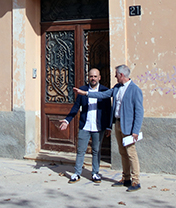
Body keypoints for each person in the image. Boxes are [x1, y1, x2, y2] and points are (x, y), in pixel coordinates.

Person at [74, 64, 144, 192]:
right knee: (122, 153)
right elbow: (103, 95)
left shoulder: (135, 90)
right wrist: (85, 93)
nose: (115, 76)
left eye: (116, 74)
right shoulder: (117, 88)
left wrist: (135, 131)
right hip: (118, 124)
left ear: (121, 75)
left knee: (131, 154)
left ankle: (136, 181)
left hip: (128, 127)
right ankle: (126, 178)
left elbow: (139, 112)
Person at [60, 68, 112, 184]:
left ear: (99, 78)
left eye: (95, 76)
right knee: (81, 150)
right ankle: (77, 173)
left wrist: (109, 126)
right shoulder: (82, 90)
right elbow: (76, 107)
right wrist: (67, 121)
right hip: (85, 125)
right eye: (91, 76)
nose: (93, 78)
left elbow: (109, 110)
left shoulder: (105, 91)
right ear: (88, 77)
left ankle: (95, 173)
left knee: (96, 150)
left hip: (99, 127)